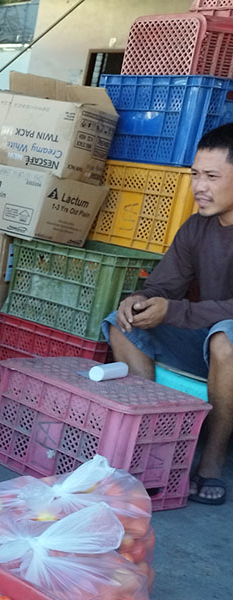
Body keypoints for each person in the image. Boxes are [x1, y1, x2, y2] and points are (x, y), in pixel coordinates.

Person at [104, 124, 233, 506]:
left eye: (212, 176)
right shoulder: (197, 227)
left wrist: (173, 310)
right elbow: (164, 286)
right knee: (122, 325)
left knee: (226, 338)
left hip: (225, 346)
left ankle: (211, 459)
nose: (199, 186)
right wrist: (141, 300)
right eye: (195, 174)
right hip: (207, 342)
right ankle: (152, 443)